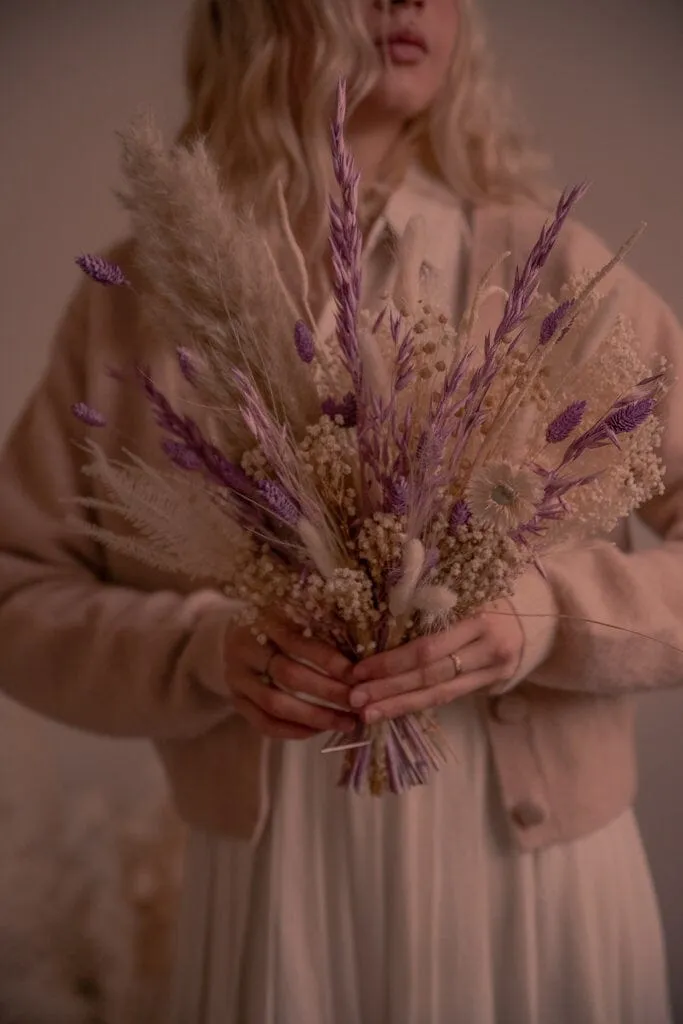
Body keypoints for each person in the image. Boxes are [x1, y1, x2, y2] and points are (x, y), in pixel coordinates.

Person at [0, 0, 681, 1021]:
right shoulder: (135, 296)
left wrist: (541, 620)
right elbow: (18, 592)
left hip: (531, 887)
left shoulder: (556, 276)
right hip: (277, 891)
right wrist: (203, 653)